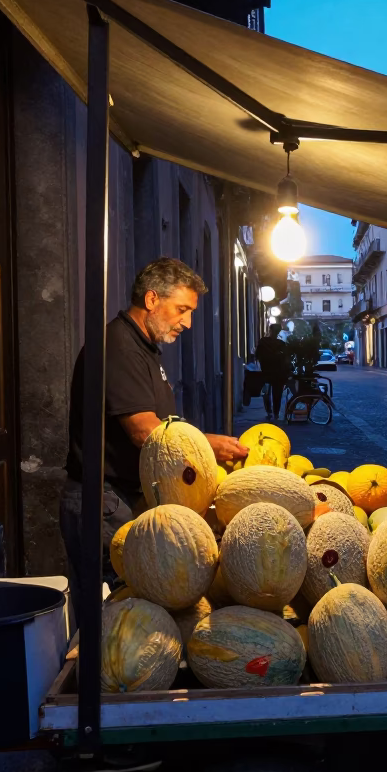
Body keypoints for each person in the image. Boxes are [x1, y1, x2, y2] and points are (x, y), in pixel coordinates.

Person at [61, 257, 249, 621]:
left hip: (121, 499)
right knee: (117, 615)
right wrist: (208, 445)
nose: (188, 322)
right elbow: (145, 430)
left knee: (135, 609)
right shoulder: (118, 347)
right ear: (151, 300)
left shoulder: (142, 347)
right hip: (104, 502)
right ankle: (104, 679)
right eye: (182, 309)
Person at [255, 322, 292, 420]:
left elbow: (257, 356)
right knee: (277, 394)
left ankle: (269, 412)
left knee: (266, 393)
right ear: (278, 332)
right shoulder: (282, 344)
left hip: (266, 372)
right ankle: (276, 413)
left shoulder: (263, 342)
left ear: (270, 330)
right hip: (279, 373)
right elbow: (286, 359)